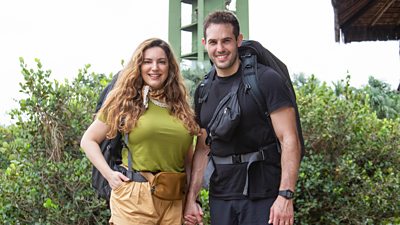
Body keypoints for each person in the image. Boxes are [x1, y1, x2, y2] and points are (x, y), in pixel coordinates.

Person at [184, 11, 302, 225]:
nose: (220, 49)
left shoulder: (266, 79)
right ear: (204, 43)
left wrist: (285, 196)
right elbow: (203, 148)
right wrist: (191, 199)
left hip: (264, 193)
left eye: (226, 41)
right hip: (221, 195)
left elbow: (289, 138)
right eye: (213, 42)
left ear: (238, 40)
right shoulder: (203, 90)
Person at [80, 38, 199, 225]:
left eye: (161, 62)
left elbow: (188, 159)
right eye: (148, 61)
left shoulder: (181, 107)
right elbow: (88, 140)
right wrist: (109, 175)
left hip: (174, 199)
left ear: (170, 67)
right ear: (139, 65)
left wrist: (192, 200)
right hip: (133, 197)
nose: (155, 68)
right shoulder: (124, 101)